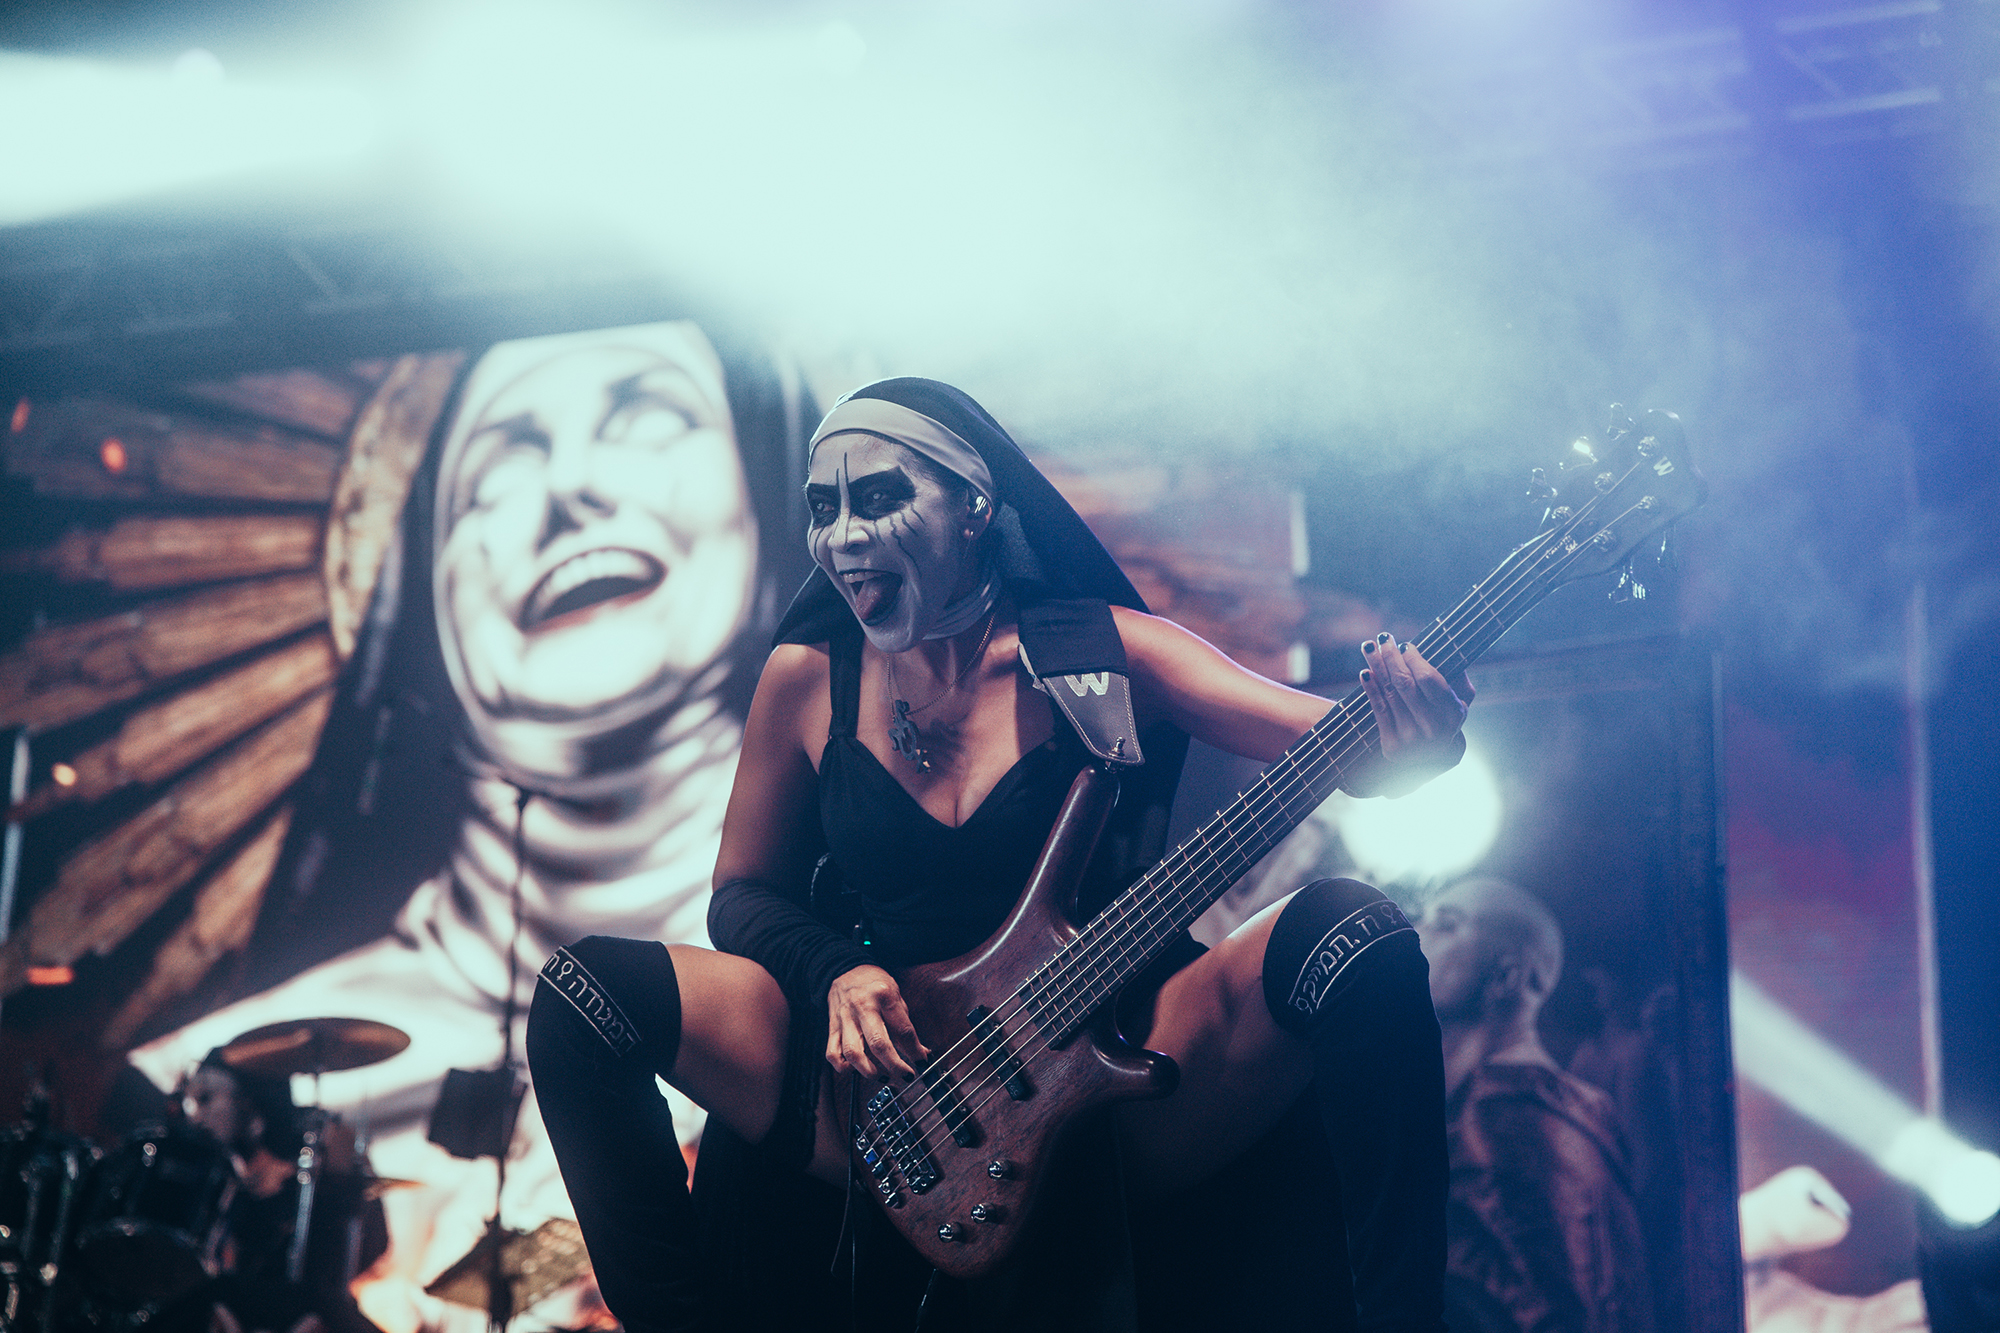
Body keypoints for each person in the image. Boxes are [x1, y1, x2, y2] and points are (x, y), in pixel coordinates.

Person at [526, 377, 1472, 1330]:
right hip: (883, 1067)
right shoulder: (808, 678)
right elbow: (740, 893)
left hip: (1099, 1031)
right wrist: (833, 971)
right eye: (824, 507)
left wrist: (1411, 738)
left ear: (977, 506)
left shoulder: (1104, 651)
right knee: (586, 996)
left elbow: (1330, 740)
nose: (844, 535)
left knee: (1354, 935)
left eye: (880, 496)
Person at [131, 322, 810, 1331]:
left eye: (646, 419)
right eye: (500, 470)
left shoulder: (826, 994)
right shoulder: (215, 1053)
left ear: (761, 499)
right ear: (427, 599)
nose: (569, 489)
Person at [1416, 876, 1653, 1333]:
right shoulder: (1510, 1106)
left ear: (1508, 976)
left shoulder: (1512, 1118)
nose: (1415, 934)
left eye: (1445, 924)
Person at [175, 1050, 386, 1333]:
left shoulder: (316, 1162)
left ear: (246, 1100)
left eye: (206, 1099)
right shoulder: (223, 1185)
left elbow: (373, 1243)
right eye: (190, 1103)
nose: (196, 1117)